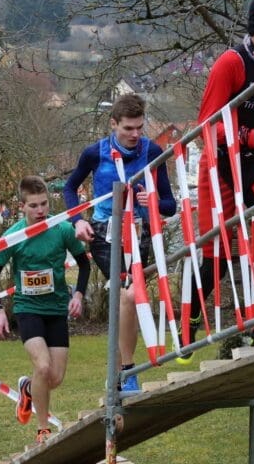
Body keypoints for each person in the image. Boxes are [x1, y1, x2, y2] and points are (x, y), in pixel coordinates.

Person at [179, 0, 254, 363]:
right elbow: (207, 127)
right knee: (218, 256)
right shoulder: (230, 64)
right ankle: (190, 318)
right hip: (219, 166)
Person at [63, 93, 176, 392]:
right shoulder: (94, 153)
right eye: (128, 128)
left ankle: (121, 372)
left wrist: (150, 200)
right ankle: (127, 372)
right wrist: (78, 221)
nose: (135, 134)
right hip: (104, 232)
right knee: (128, 294)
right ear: (113, 124)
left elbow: (170, 205)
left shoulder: (152, 151)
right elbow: (70, 188)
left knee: (129, 298)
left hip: (140, 233)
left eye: (140, 127)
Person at [0, 176, 90, 444]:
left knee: (55, 378)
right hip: (27, 308)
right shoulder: (13, 236)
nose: (41, 210)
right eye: (33, 206)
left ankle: (27, 388)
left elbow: (84, 264)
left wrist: (78, 294)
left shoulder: (62, 229)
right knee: (42, 367)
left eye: (44, 204)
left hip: (56, 309)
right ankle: (43, 429)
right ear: (22, 206)